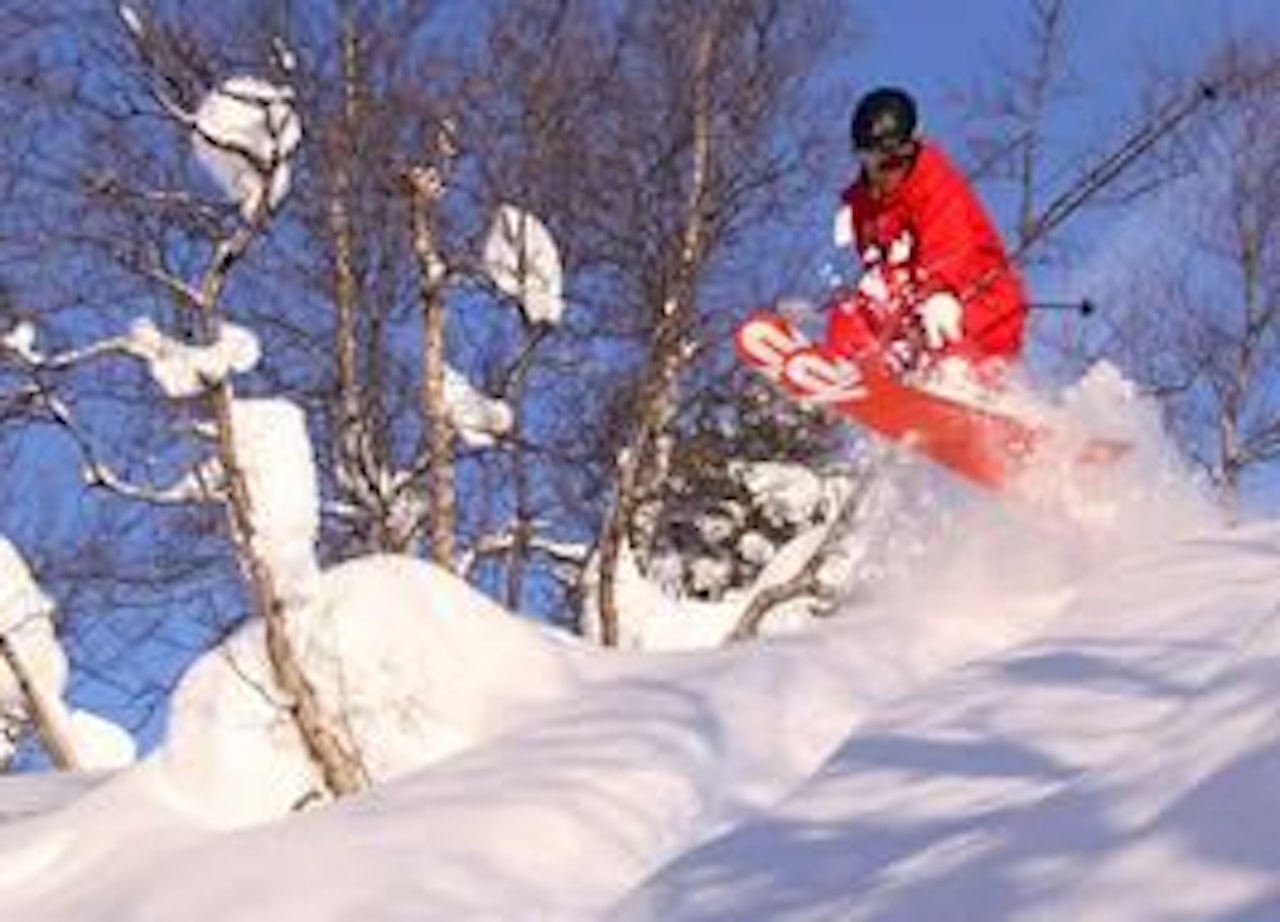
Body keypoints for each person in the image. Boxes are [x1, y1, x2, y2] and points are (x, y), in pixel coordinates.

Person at [825, 86, 1028, 391]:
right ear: (864, 160)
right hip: (912, 310)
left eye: (902, 159)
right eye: (883, 163)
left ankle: (963, 385)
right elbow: (876, 278)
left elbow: (950, 243)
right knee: (856, 309)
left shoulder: (935, 184)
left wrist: (939, 293)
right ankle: (847, 367)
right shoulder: (862, 209)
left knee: (941, 326)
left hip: (980, 301)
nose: (893, 171)